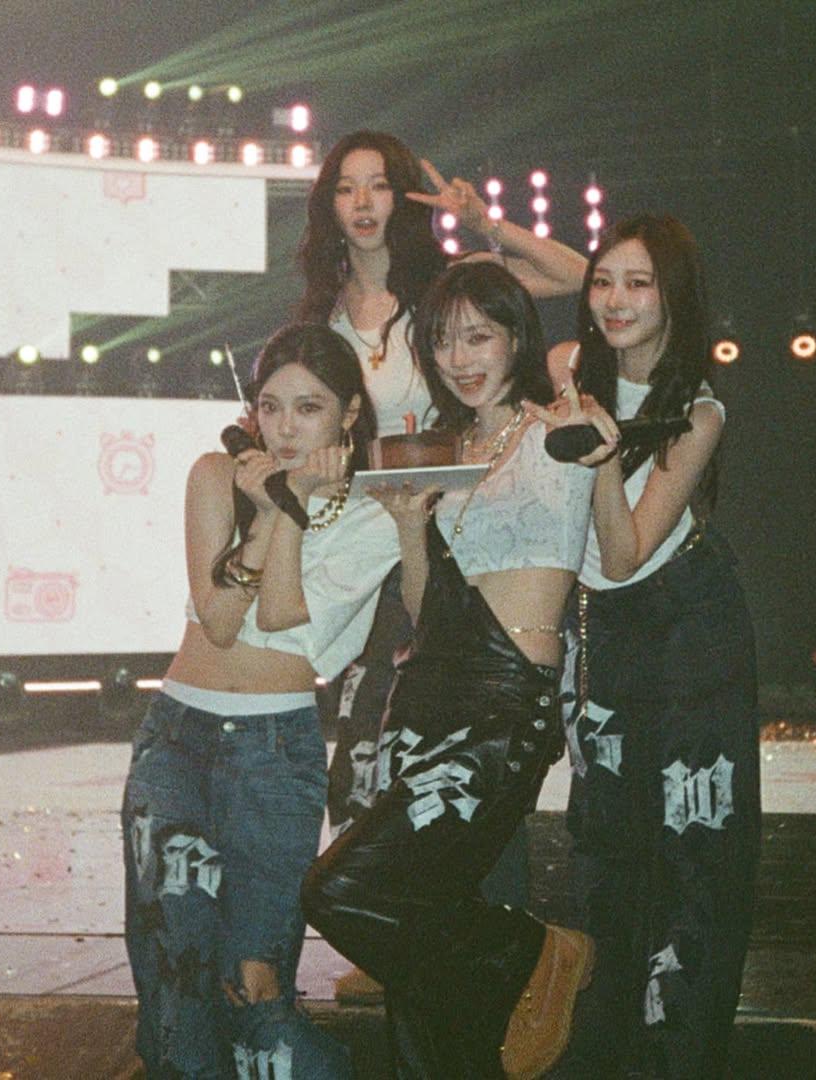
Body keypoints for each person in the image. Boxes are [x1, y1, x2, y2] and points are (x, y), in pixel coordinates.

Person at [298, 129, 589, 1005]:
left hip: (460, 525)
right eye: (345, 187)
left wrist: (484, 221)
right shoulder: (322, 314)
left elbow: (579, 276)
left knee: (466, 748)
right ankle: (399, 929)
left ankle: (483, 945)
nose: (362, 203)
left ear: (401, 197)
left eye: (379, 185)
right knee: (375, 744)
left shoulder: (446, 290)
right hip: (376, 534)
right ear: (327, 204)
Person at [121, 324, 399, 1078]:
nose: (284, 428)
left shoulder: (374, 517)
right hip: (176, 741)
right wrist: (273, 512)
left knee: (256, 980)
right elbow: (217, 620)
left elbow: (280, 616)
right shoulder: (217, 475)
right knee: (173, 978)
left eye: (309, 408)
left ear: (348, 413)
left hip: (273, 752)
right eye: (271, 407)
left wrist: (292, 506)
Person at [528, 215, 761, 1078]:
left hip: (689, 627)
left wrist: (596, 459)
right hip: (604, 627)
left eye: (639, 283)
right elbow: (515, 276)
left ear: (674, 297)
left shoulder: (697, 411)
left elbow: (624, 554)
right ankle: (604, 1051)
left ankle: (676, 1060)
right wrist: (486, 224)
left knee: (695, 852)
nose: (615, 300)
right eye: (602, 281)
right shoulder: (566, 367)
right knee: (606, 844)